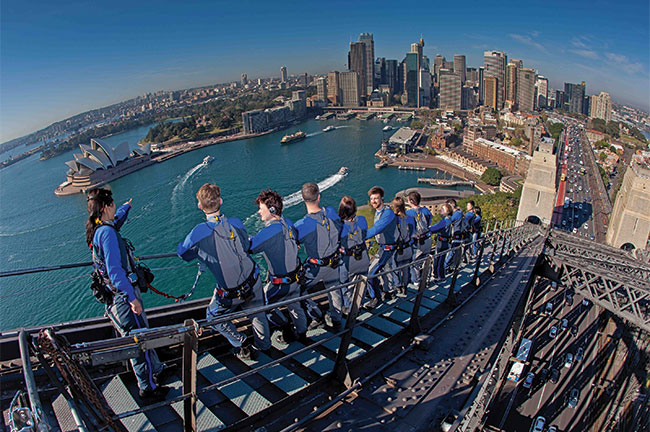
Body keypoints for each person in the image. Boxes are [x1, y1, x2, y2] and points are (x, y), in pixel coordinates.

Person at [86, 188, 171, 402]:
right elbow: (115, 271)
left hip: (116, 297)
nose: (115, 208)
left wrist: (126, 207)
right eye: (113, 205)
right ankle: (148, 388)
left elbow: (116, 221)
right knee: (138, 341)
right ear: (105, 207)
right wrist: (132, 299)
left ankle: (157, 370)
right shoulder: (107, 233)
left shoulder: (101, 228)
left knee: (142, 334)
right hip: (124, 298)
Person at [178, 184, 270, 360]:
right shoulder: (235, 223)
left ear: (200, 206)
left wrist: (200, 252)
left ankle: (241, 343)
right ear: (220, 201)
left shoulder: (199, 232)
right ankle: (264, 347)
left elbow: (182, 253)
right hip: (253, 279)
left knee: (213, 317)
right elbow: (246, 245)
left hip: (232, 292)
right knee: (257, 313)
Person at [249, 189, 308, 345]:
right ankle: (302, 335)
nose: (259, 212)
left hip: (281, 284)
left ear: (272, 210)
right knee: (295, 306)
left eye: (261, 208)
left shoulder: (270, 231)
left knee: (260, 307)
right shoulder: (287, 223)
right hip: (296, 279)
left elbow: (250, 247)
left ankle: (285, 327)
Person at [294, 182, 344, 332]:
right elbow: (339, 226)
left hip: (316, 267)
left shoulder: (303, 224)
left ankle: (317, 316)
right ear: (319, 197)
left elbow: (291, 240)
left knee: (299, 290)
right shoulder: (331, 212)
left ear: (302, 199)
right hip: (335, 262)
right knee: (334, 290)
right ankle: (336, 320)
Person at [364, 186, 400, 309]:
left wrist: (358, 237)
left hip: (387, 248)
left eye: (376, 198)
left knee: (371, 273)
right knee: (386, 271)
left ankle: (376, 298)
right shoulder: (380, 212)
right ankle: (388, 292)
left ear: (382, 198)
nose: (373, 201)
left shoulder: (387, 213)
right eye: (372, 199)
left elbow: (376, 229)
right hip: (383, 247)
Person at [338, 196, 370, 312]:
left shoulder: (340, 226)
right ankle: (359, 304)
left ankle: (348, 307)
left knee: (343, 285)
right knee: (362, 283)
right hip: (363, 258)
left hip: (348, 262)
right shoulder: (362, 220)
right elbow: (365, 233)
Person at [405, 191, 433, 285]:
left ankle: (416, 281)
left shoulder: (408, 213)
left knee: (414, 263)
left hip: (417, 241)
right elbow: (429, 221)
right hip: (427, 239)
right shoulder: (426, 210)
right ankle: (426, 279)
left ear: (411, 201)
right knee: (426, 260)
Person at [390, 196, 414, 295]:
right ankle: (405, 286)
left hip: (397, 249)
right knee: (406, 269)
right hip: (408, 247)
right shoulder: (409, 217)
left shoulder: (393, 219)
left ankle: (398, 286)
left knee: (395, 269)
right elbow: (412, 231)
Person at [430, 204, 453, 283]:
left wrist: (426, 229)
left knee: (439, 260)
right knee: (440, 259)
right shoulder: (448, 220)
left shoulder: (445, 221)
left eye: (443, 209)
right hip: (445, 242)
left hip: (442, 243)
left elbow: (435, 228)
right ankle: (439, 275)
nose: (441, 210)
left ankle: (440, 277)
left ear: (447, 211)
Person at [444, 198, 465, 271]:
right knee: (455, 252)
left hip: (456, 236)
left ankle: (445, 266)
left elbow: (446, 222)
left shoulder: (455, 215)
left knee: (451, 252)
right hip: (460, 236)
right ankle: (452, 266)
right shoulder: (460, 212)